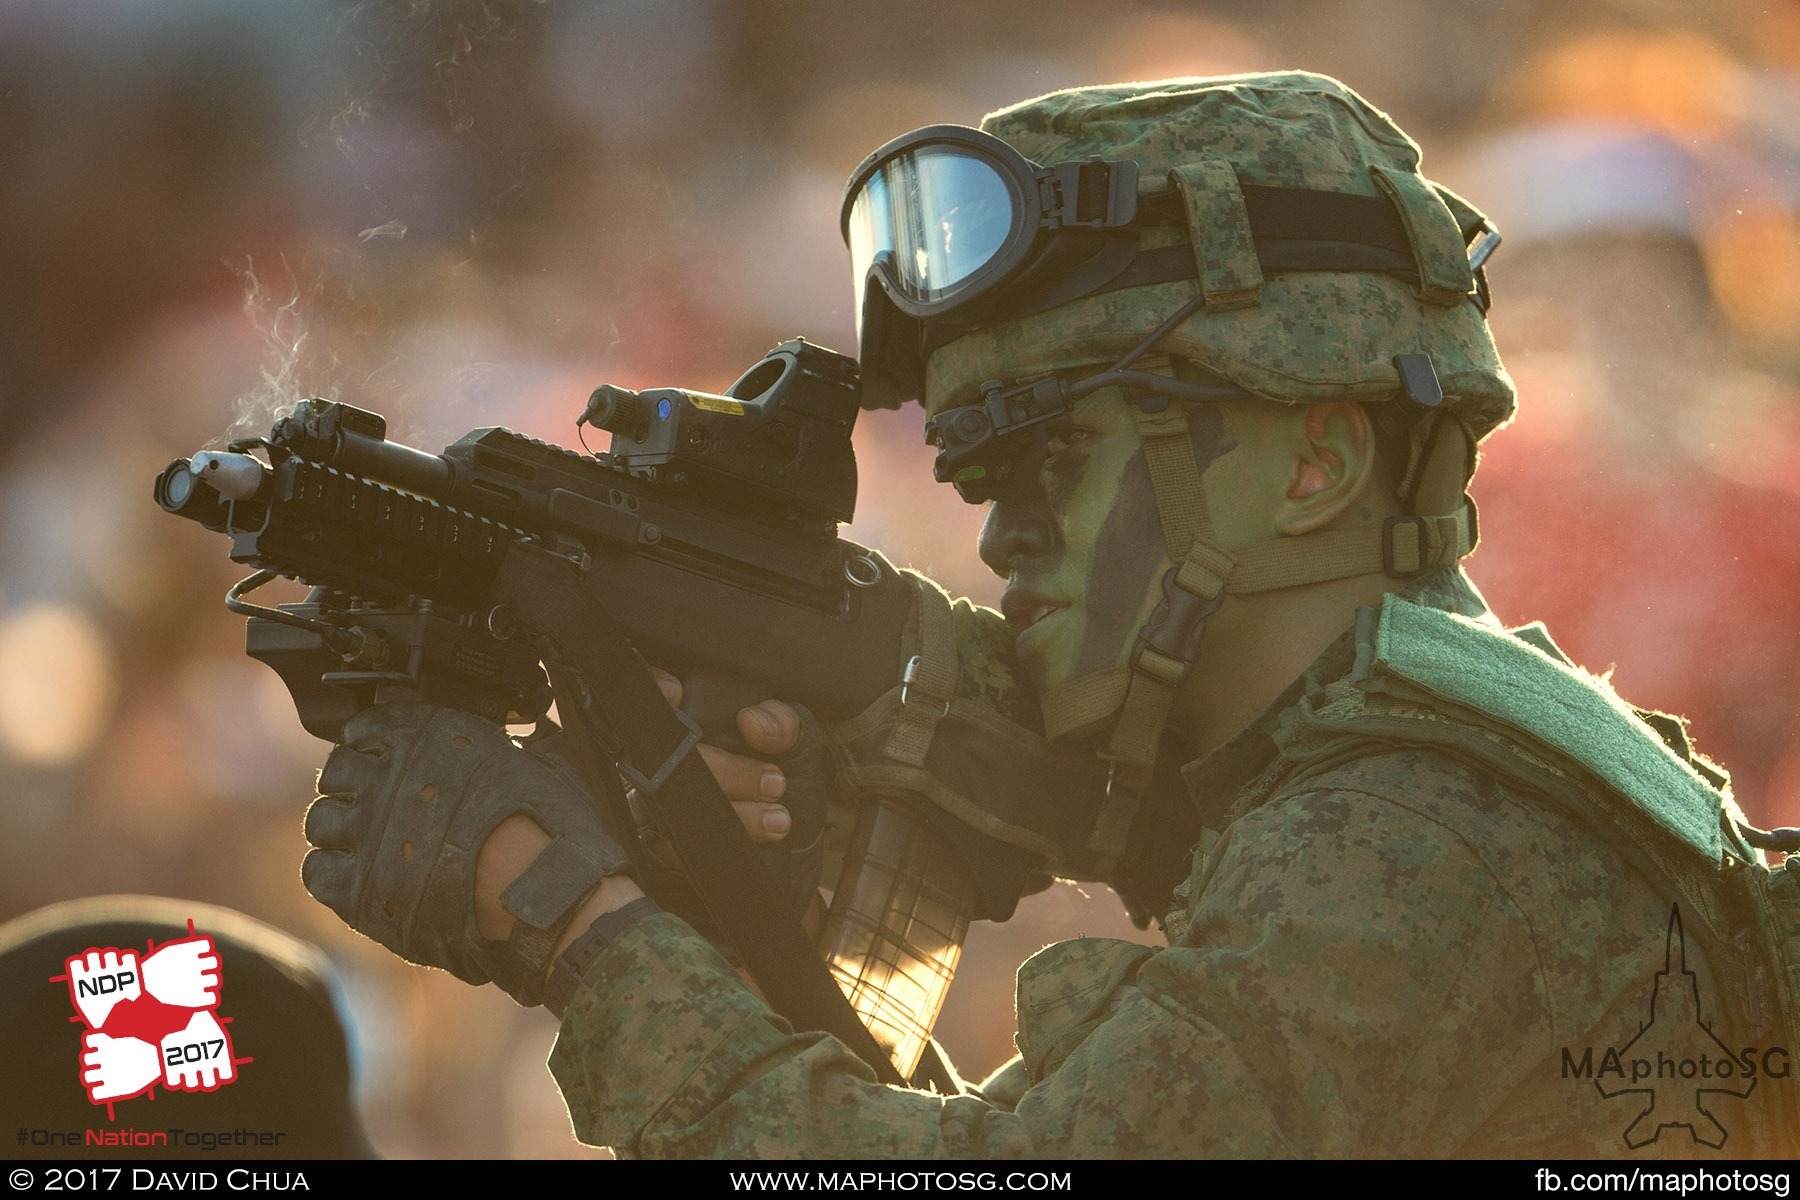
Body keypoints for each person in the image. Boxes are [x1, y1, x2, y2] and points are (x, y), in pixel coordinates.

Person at [299, 72, 1800, 1157]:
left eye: (1064, 465)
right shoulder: (1425, 744)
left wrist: (577, 920)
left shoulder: (1410, 844)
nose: (1001, 531)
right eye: (984, 472)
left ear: (1317, 464)